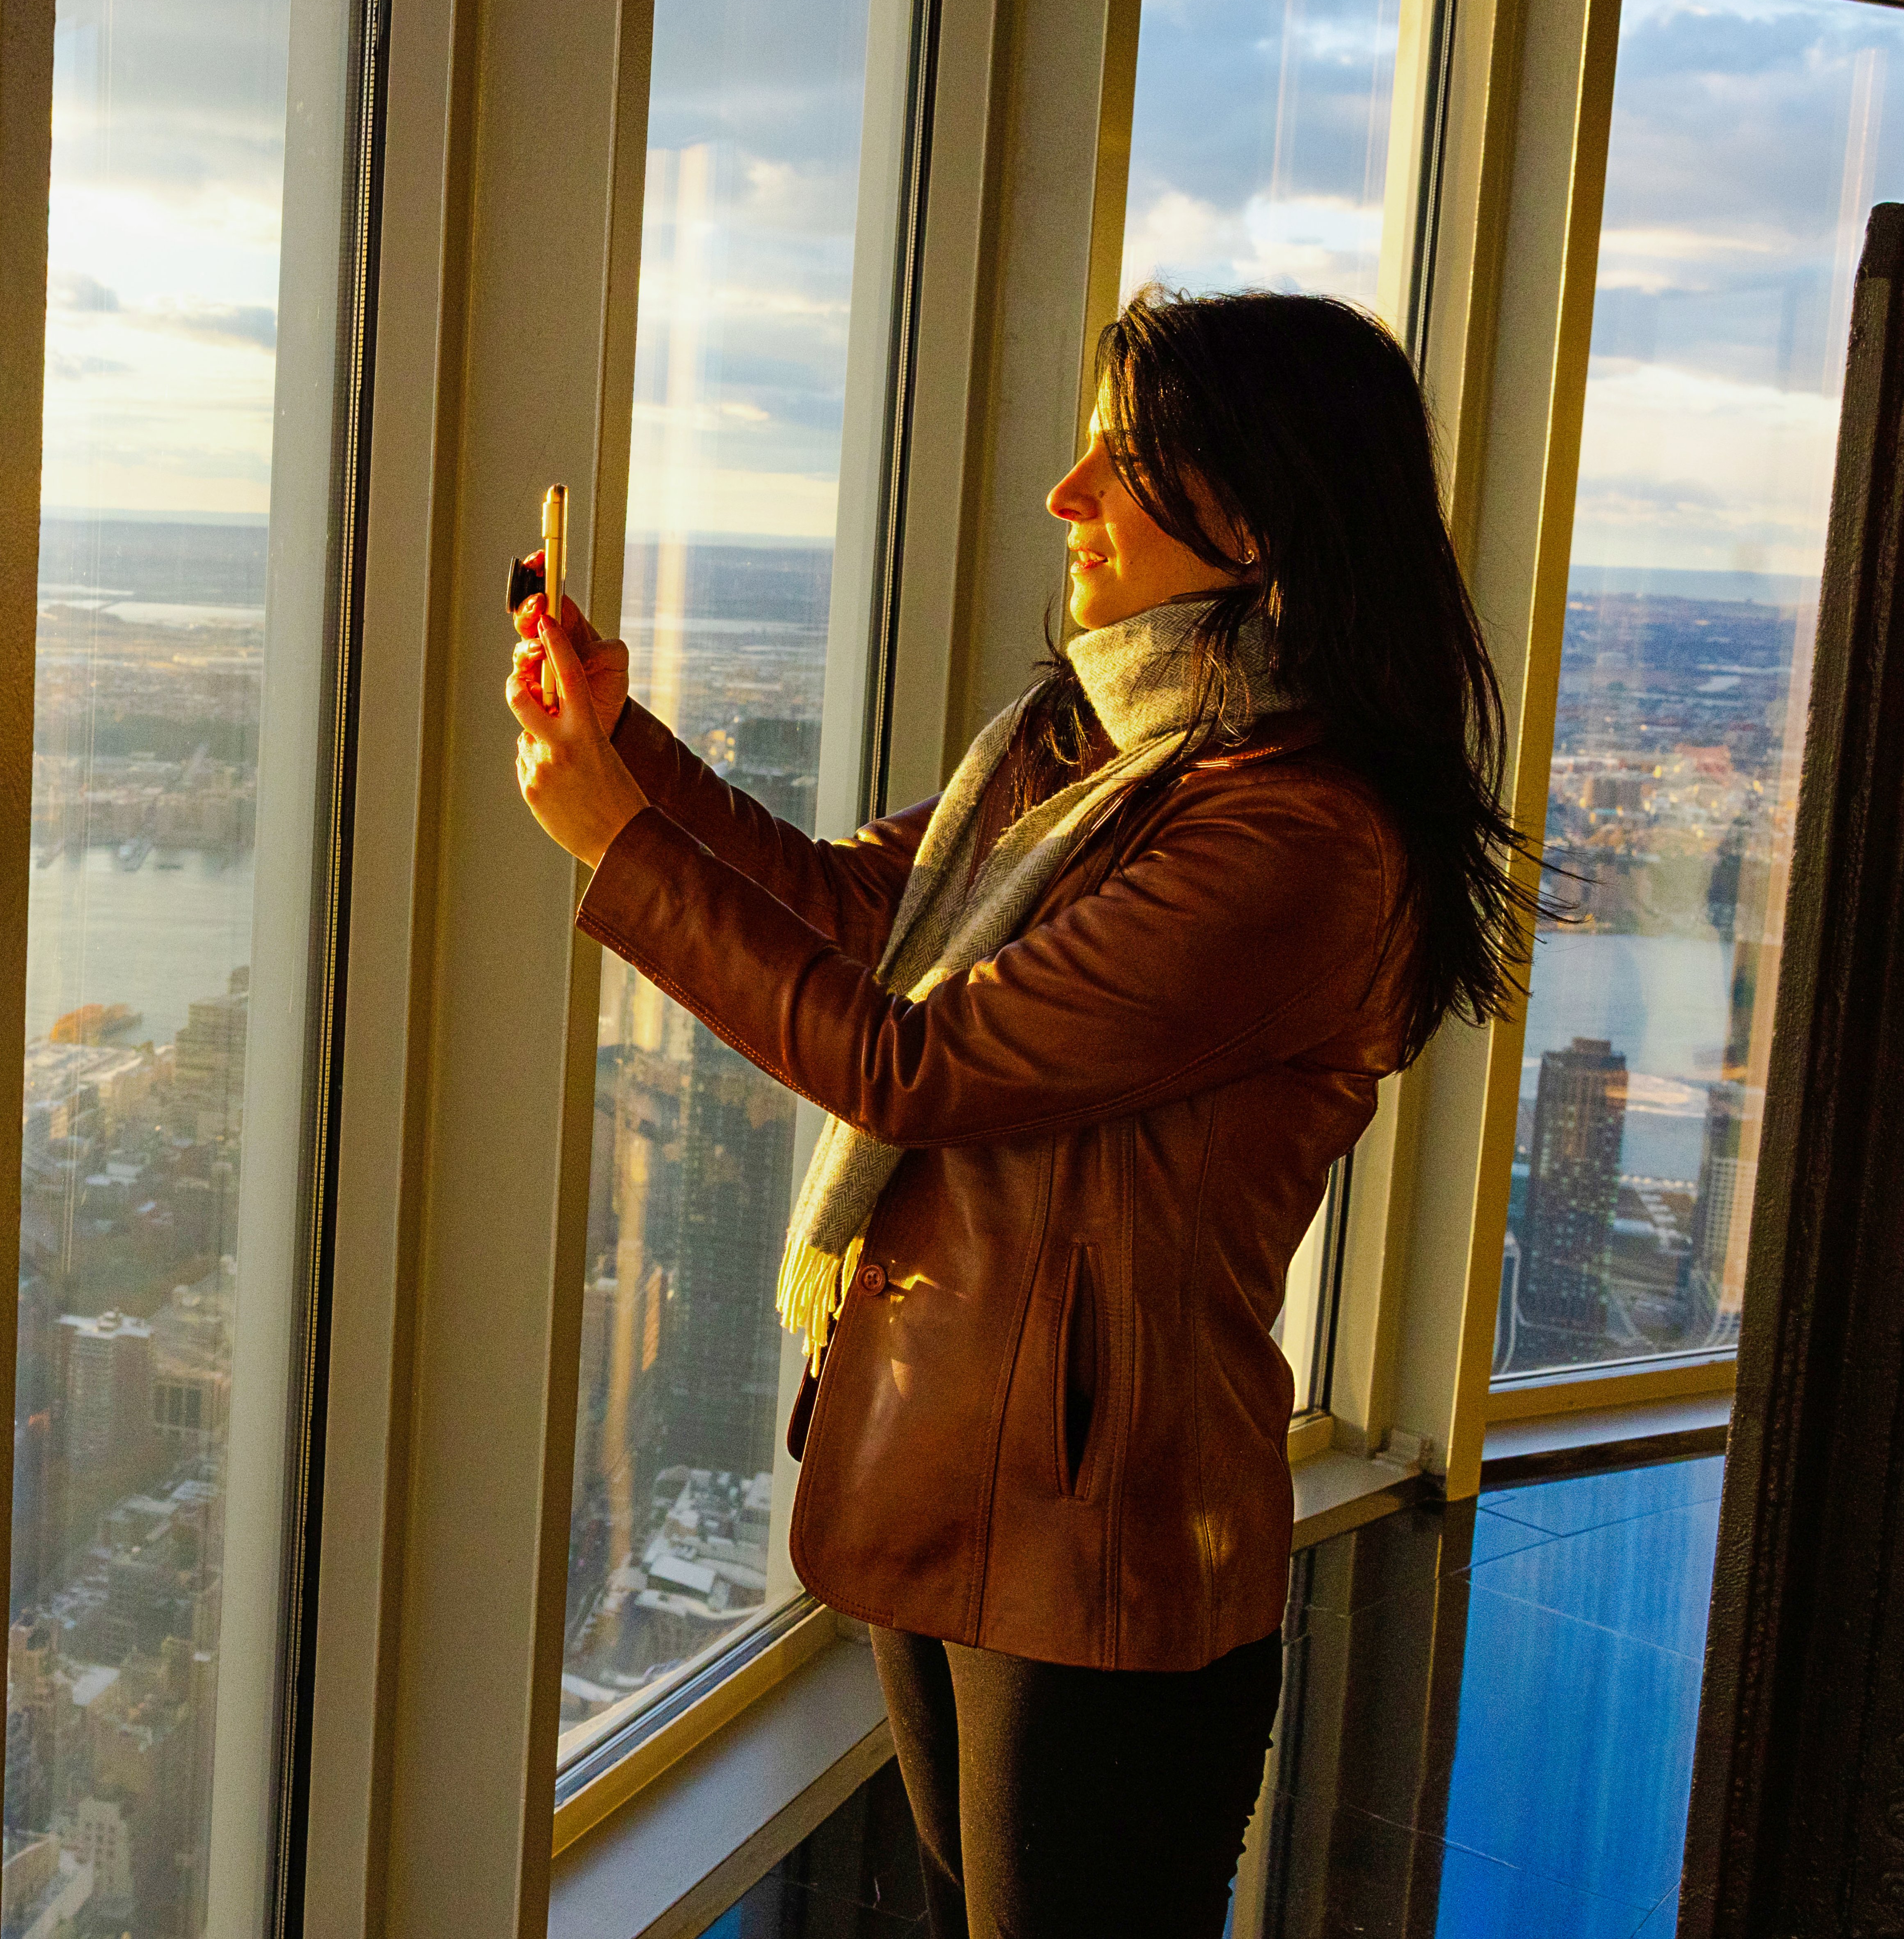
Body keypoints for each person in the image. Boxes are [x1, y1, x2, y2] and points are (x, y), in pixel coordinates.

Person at [505, 289, 1541, 1937]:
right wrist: (619, 749)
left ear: (1255, 519)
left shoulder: (1296, 840)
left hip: (1101, 1531)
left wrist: (617, 852)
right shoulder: (1094, 748)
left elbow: (915, 1067)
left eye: (1121, 460)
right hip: (957, 1465)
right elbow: (858, 911)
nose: (1066, 494)